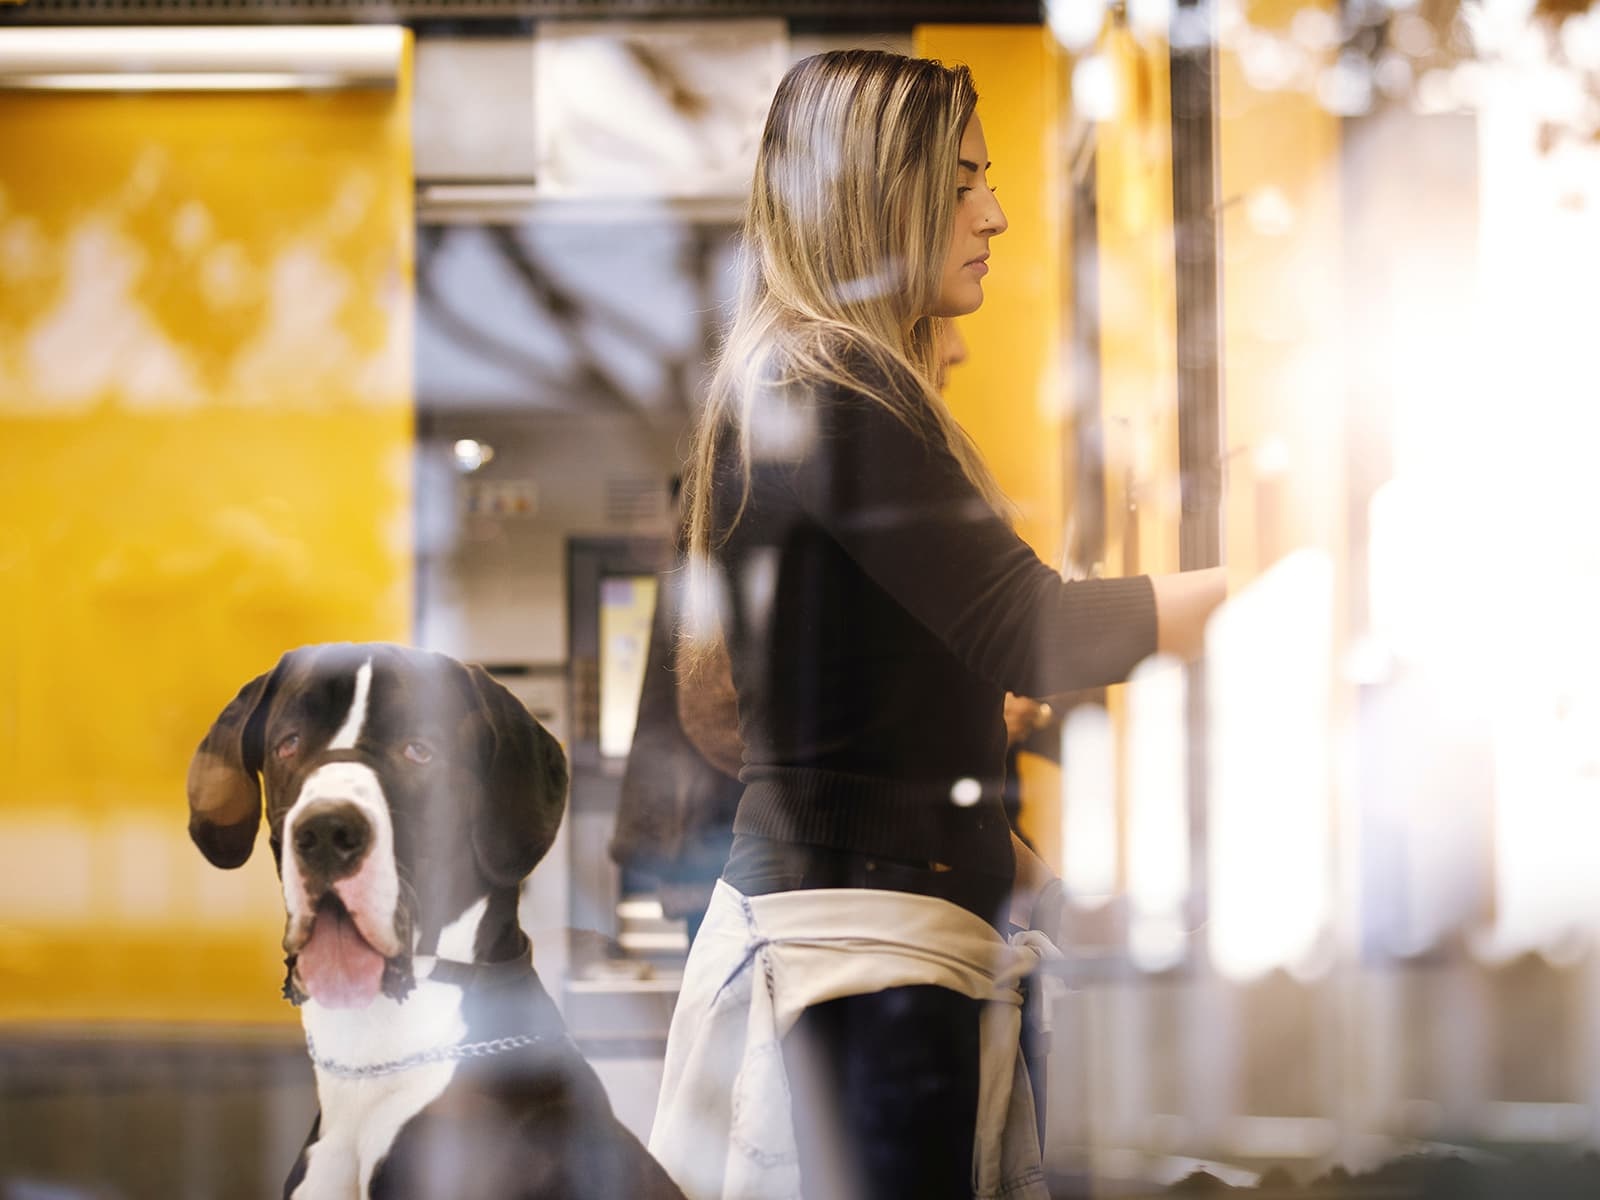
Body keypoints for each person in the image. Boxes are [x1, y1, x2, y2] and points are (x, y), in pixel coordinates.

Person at [648, 50, 1226, 1200]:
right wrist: (1271, 583)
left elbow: (783, 718)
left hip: (876, 957)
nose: (996, 214)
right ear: (873, 195)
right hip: (858, 977)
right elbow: (1038, 631)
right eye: (964, 181)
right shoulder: (828, 391)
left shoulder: (804, 389)